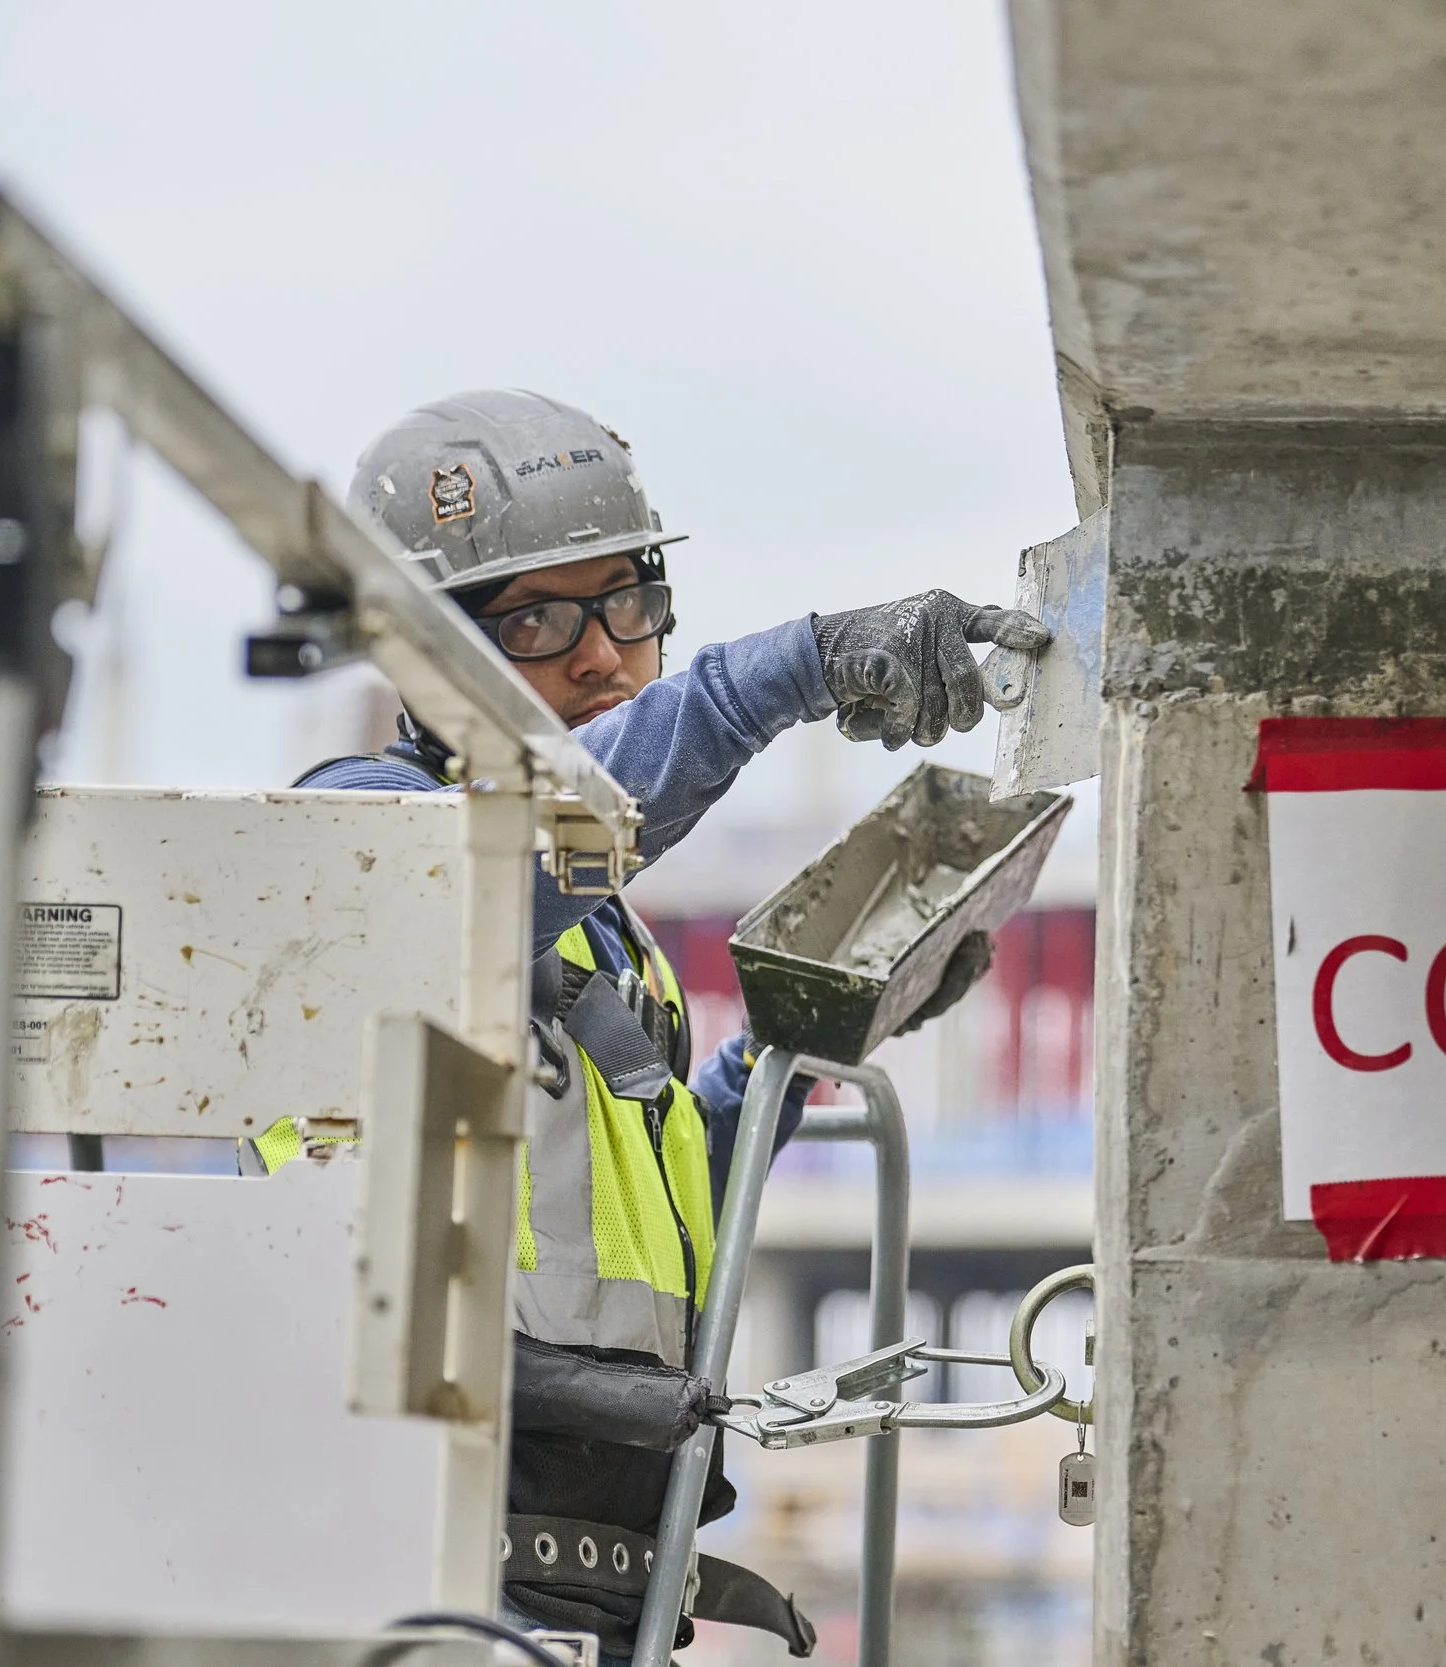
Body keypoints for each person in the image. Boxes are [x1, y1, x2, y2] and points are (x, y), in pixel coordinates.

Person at [251, 389, 1047, 1659]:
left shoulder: (602, 939)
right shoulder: (360, 844)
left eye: (627, 600)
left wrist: (799, 1042)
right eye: (534, 618)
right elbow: (504, 861)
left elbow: (663, 1249)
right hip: (412, 1564)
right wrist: (788, 672)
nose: (601, 652)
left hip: (587, 1576)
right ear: (416, 654)